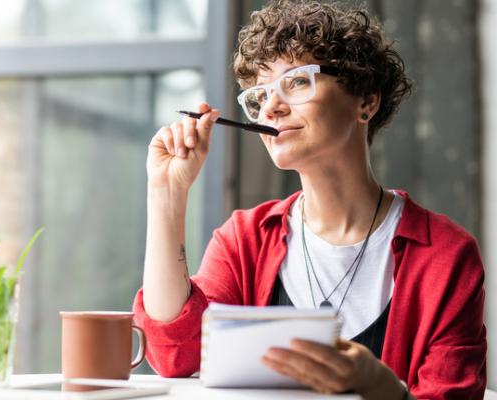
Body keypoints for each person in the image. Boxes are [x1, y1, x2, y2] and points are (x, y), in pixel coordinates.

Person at [132, 1, 487, 398]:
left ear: (366, 101)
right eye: (259, 95)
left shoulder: (446, 255)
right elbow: (176, 356)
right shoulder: (244, 240)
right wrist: (167, 193)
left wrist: (383, 388)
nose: (271, 107)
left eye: (297, 81)